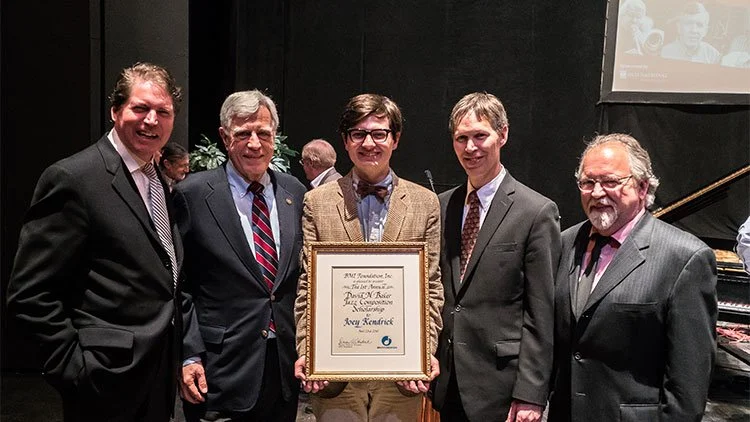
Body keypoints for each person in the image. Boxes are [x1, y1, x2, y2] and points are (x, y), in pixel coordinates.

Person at [6, 62, 183, 421]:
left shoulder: (157, 180)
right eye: (141, 108)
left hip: (158, 378)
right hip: (103, 383)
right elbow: (29, 294)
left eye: (163, 112)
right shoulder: (73, 178)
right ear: (115, 111)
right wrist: (75, 370)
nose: (152, 120)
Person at [293, 93, 444, 421]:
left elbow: (431, 288)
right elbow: (309, 285)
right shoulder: (317, 202)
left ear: (395, 139)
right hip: (337, 376)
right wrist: (309, 349)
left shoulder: (425, 203)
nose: (369, 143)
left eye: (379, 133)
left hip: (399, 378)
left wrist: (423, 351)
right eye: (358, 134)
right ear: (346, 142)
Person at [548, 133, 718, 421]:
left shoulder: (685, 258)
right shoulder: (565, 243)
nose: (598, 192)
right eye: (588, 183)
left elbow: (687, 388)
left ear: (642, 187)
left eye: (611, 182)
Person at [175, 90, 306, 421]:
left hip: (283, 372)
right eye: (243, 133)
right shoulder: (193, 195)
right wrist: (189, 354)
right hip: (219, 374)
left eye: (263, 133)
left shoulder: (296, 193)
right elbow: (179, 285)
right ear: (224, 137)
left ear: (274, 136)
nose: (254, 143)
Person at [430, 92, 561, 422]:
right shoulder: (443, 206)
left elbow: (541, 313)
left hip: (502, 388)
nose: (470, 148)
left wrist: (531, 394)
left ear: (502, 135)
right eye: (461, 138)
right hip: (448, 382)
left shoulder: (536, 212)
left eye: (480, 136)